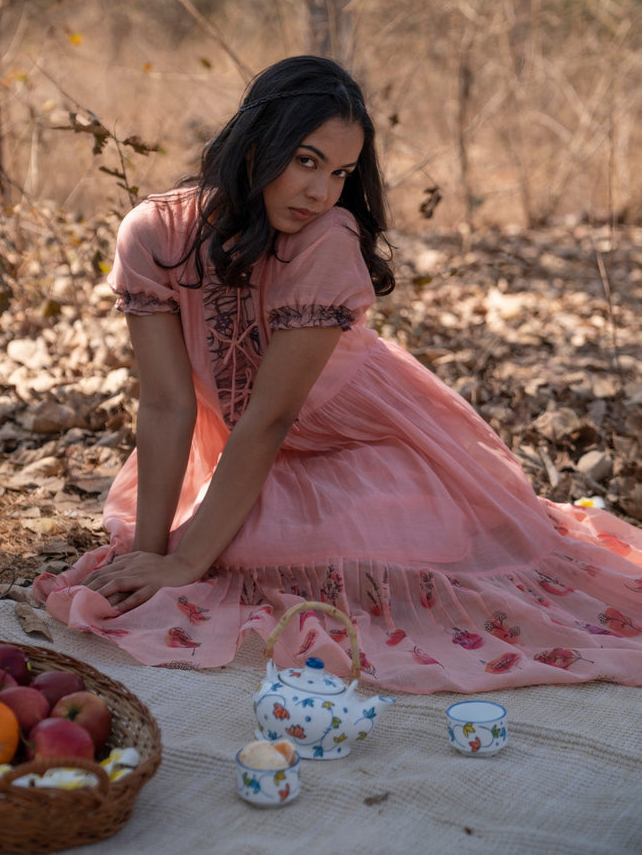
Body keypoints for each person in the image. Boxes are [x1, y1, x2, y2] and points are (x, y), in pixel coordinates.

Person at [33, 55, 642, 692]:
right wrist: (150, 557)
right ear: (255, 141)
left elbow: (270, 417)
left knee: (248, 554)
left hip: (365, 442)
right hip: (252, 452)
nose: (321, 192)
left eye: (341, 172)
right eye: (305, 160)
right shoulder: (156, 233)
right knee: (222, 554)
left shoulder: (326, 238)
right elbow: (165, 405)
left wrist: (187, 559)